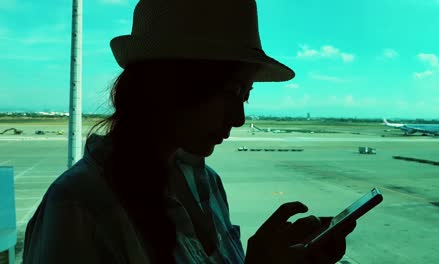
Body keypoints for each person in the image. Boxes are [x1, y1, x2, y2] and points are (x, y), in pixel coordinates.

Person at [22, 0, 356, 263]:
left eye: (246, 96)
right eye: (230, 92)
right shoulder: (78, 207)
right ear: (170, 87)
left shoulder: (207, 184)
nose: (239, 118)